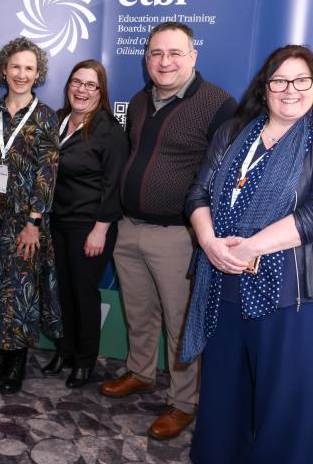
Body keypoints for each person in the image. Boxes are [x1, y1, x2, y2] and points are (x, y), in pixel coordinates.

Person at [182, 45, 313, 463]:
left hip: (299, 292)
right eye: (279, 80)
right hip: (225, 280)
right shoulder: (232, 131)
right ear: (264, 88)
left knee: (290, 403)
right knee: (226, 392)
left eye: (301, 80)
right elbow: (199, 192)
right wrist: (210, 243)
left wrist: (248, 247)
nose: (290, 89)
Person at [99, 22, 236, 439]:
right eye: (156, 53)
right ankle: (140, 371)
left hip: (179, 236)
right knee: (139, 312)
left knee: (180, 323)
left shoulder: (218, 105)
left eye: (175, 53)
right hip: (130, 228)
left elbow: (225, 175)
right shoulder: (141, 101)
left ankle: (182, 402)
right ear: (146, 58)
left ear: (193, 57)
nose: (164, 61)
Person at [0, 37, 61, 395]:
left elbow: (47, 173)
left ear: (37, 73)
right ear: (3, 70)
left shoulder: (45, 117)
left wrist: (33, 222)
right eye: (15, 67)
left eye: (28, 68)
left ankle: (17, 362)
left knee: (20, 289)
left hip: (25, 220)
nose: (21, 74)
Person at [46, 60, 128, 388]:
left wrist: (100, 229)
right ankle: (65, 349)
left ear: (101, 91)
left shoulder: (110, 131)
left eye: (90, 85)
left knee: (84, 292)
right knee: (63, 290)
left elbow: (114, 186)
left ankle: (85, 360)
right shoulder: (57, 120)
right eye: (76, 82)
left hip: (90, 225)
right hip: (59, 220)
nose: (82, 90)